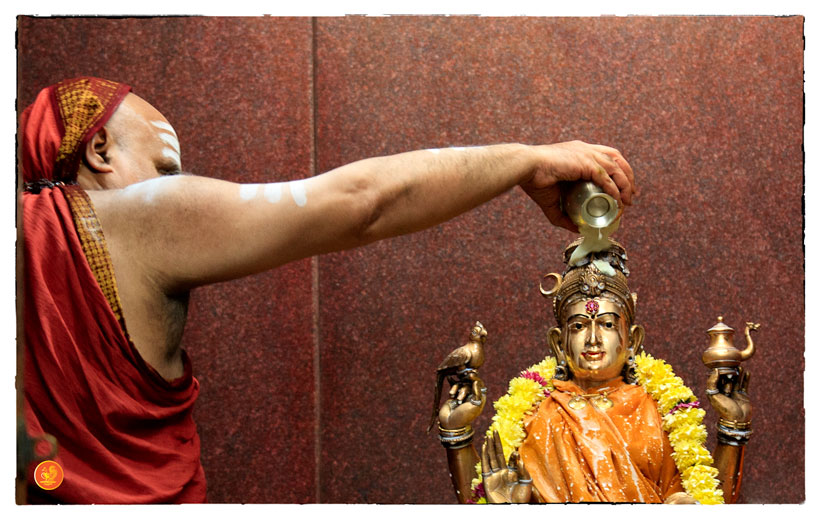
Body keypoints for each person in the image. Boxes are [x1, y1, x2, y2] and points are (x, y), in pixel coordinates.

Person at [19, 77, 636, 504]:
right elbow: (362, 203)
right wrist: (527, 160)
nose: (180, 190)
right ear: (98, 149)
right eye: (167, 172)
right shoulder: (128, 219)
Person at [434, 238, 752, 504]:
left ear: (632, 340)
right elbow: (484, 498)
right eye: (578, 326)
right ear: (558, 343)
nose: (593, 339)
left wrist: (733, 429)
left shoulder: (658, 411)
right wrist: (457, 435)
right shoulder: (536, 415)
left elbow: (710, 505)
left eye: (608, 324)